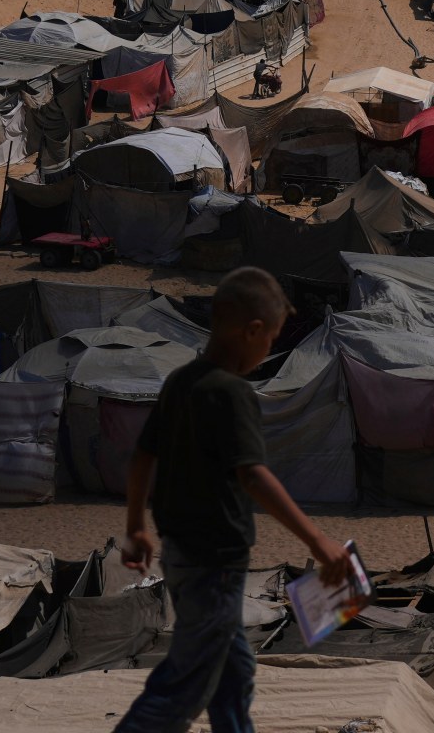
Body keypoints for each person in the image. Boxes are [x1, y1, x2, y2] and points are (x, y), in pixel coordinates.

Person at [114, 268, 354, 733]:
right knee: (184, 684)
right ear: (252, 332)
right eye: (271, 341)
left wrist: (135, 527)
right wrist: (317, 538)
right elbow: (254, 475)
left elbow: (143, 455)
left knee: (234, 671)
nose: (269, 352)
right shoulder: (232, 392)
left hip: (182, 555)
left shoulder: (181, 382)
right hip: (214, 561)